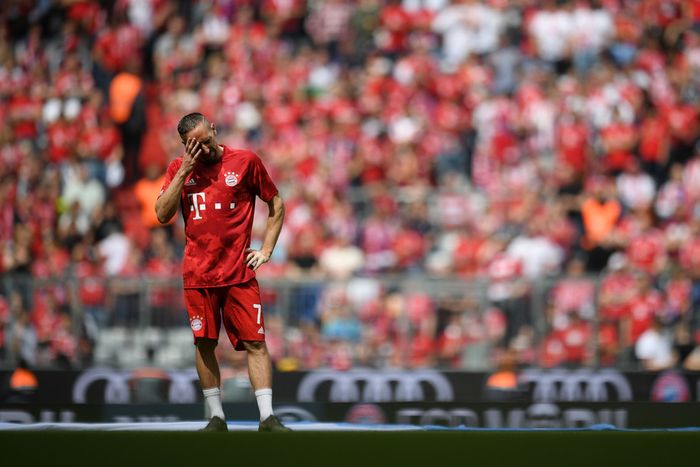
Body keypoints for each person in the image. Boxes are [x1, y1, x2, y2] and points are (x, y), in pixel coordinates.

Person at [155, 112, 290, 432]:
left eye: (206, 140)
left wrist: (266, 250)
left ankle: (267, 417)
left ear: (214, 130)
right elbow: (162, 214)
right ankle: (216, 416)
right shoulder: (179, 169)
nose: (204, 148)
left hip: (239, 273)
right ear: (185, 147)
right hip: (198, 275)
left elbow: (276, 204)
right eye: (195, 146)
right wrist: (185, 170)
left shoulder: (245, 162)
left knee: (256, 342)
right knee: (204, 343)